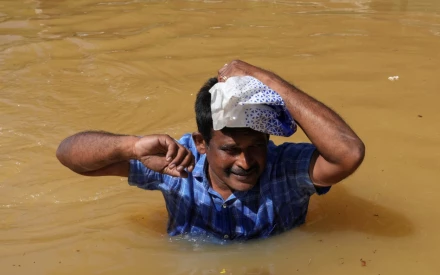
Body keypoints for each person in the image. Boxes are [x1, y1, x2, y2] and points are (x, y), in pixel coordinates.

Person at [56, 60, 365, 242]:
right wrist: (131, 146)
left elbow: (349, 153)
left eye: (257, 146)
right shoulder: (176, 163)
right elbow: (69, 156)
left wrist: (264, 79)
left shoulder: (286, 169)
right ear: (201, 144)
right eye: (230, 149)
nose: (245, 162)